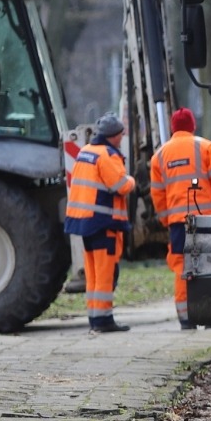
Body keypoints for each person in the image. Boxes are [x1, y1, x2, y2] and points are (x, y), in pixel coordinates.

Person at [149, 108, 211, 330]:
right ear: (192, 126)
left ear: (173, 128)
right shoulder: (205, 147)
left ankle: (186, 318)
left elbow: (158, 195)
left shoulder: (159, 156)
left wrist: (168, 220)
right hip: (206, 220)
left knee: (182, 268)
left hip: (178, 222)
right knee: (210, 264)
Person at [64, 113, 135, 332]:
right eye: (121, 133)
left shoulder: (85, 152)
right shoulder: (107, 155)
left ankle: (95, 318)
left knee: (93, 274)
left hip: (85, 224)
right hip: (105, 223)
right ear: (114, 136)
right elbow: (122, 185)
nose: (122, 137)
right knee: (105, 274)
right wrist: (133, 180)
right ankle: (104, 321)